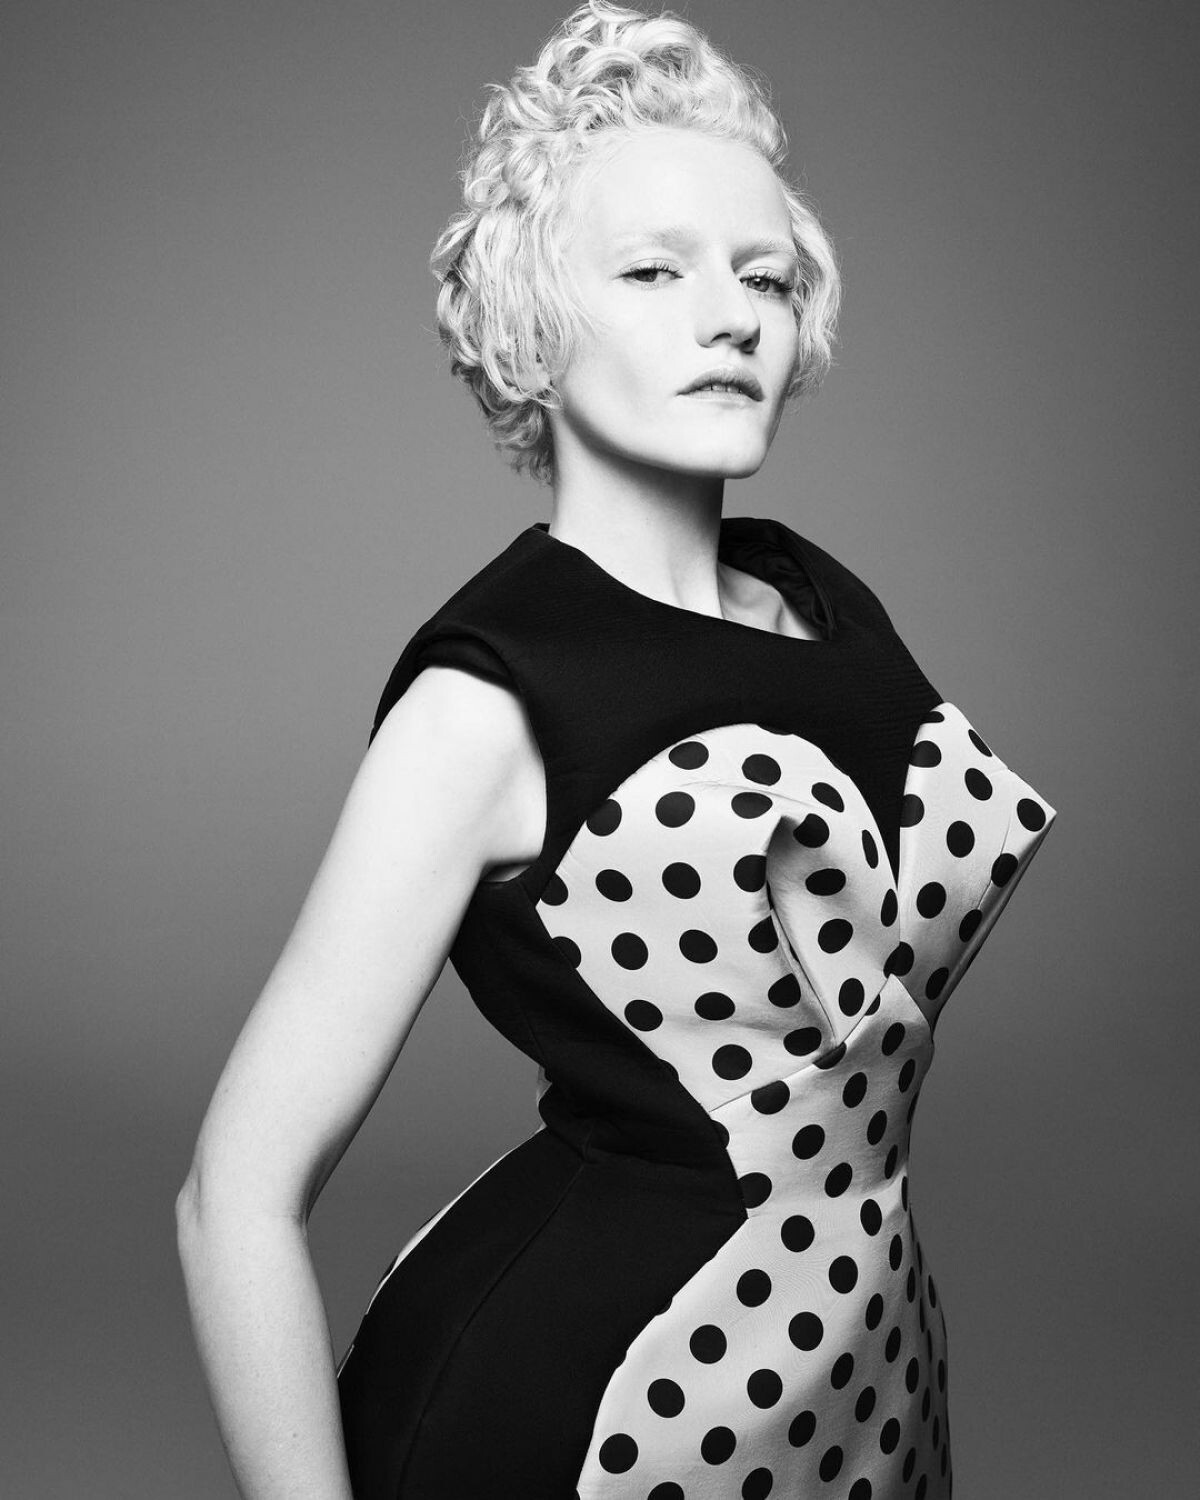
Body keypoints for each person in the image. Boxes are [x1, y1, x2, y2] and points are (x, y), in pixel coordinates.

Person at [176, 4, 1057, 1497]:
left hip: (869, 1380)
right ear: (533, 326)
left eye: (765, 276)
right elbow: (232, 1196)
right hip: (589, 1412)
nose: (733, 317)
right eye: (654, 271)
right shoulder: (487, 700)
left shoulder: (826, 600)